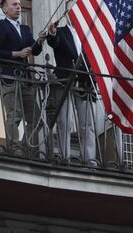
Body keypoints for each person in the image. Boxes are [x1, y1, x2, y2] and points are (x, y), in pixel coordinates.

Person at [0, 0, 45, 150]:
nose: (18, 7)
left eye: (20, 4)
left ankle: (25, 147)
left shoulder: (24, 29)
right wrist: (17, 54)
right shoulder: (1, 25)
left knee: (35, 118)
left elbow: (34, 51)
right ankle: (14, 148)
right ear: (4, 9)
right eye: (14, 4)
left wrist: (39, 41)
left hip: (25, 78)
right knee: (15, 114)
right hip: (8, 76)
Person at [47, 13, 98, 164]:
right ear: (68, 16)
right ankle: (64, 156)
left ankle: (89, 159)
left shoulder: (89, 35)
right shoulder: (61, 31)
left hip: (85, 83)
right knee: (64, 121)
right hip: (65, 80)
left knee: (87, 124)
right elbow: (54, 41)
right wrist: (52, 33)